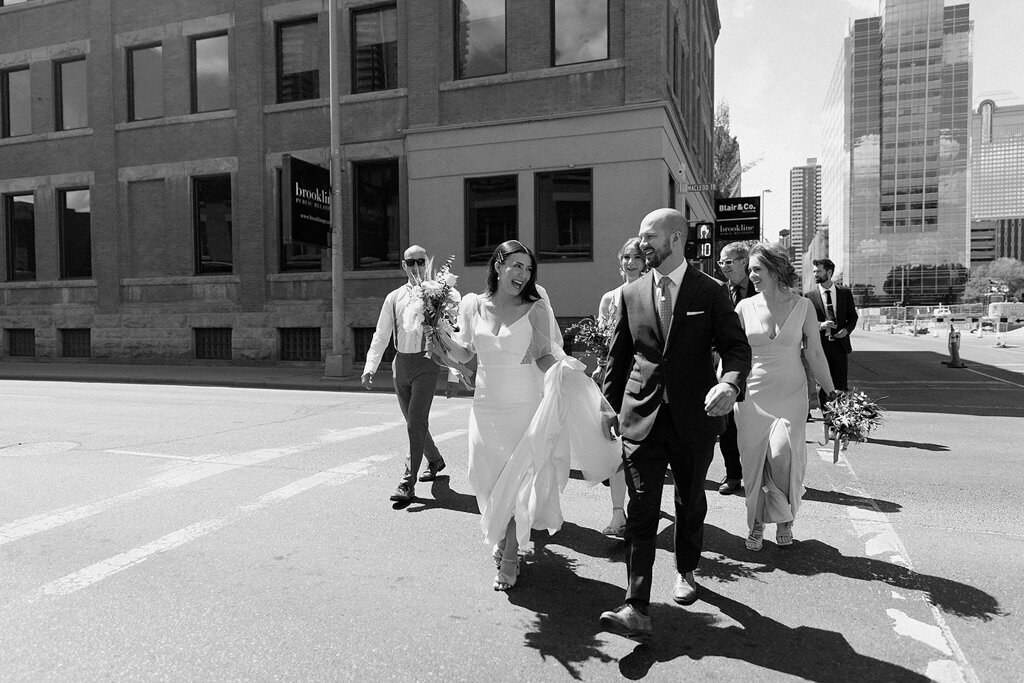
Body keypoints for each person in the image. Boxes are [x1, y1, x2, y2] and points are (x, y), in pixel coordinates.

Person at [599, 209, 751, 642]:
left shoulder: (712, 291)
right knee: (642, 510)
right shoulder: (631, 293)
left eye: (650, 237)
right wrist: (607, 409)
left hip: (695, 420)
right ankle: (635, 605)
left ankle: (686, 569)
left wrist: (729, 384)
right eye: (641, 237)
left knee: (689, 504)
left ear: (676, 238)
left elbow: (736, 349)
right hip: (641, 418)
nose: (642, 244)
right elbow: (618, 358)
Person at [436, 240, 619, 592]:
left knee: (516, 480)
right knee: (484, 478)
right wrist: (439, 334)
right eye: (516, 265)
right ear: (498, 265)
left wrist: (588, 393)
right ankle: (505, 537)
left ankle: (509, 554)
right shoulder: (474, 306)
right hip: (485, 408)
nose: (522, 274)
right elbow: (465, 353)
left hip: (523, 408)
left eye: (528, 268)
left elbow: (544, 358)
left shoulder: (534, 308)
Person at [733, 243, 836, 552]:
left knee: (782, 456)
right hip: (752, 395)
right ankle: (757, 524)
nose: (751, 275)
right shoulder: (743, 308)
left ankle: (785, 518)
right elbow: (732, 355)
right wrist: (722, 388)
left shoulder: (803, 306)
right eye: (749, 270)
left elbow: (815, 353)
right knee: (753, 466)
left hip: (791, 394)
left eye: (757, 269)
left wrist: (833, 395)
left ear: (776, 270)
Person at [361, 245, 449, 504]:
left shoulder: (439, 294)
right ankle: (435, 460)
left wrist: (455, 374)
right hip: (401, 365)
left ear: (427, 263)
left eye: (420, 262)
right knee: (415, 423)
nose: (416, 268)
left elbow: (448, 334)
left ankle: (406, 484)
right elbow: (381, 334)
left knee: (415, 422)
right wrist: (370, 367)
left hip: (426, 364)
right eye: (410, 263)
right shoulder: (393, 298)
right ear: (403, 265)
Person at [594, 237, 647, 537]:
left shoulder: (655, 293)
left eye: (637, 257)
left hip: (642, 380)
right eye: (626, 257)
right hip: (615, 379)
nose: (630, 262)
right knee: (615, 447)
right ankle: (618, 515)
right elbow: (604, 340)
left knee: (638, 453)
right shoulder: (609, 298)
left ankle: (641, 508)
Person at [715, 241, 756, 496]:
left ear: (744, 262)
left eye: (728, 262)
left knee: (755, 423)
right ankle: (733, 475)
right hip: (727, 366)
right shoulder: (718, 291)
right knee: (727, 424)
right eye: (721, 263)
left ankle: (760, 473)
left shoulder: (761, 287)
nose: (723, 268)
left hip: (759, 365)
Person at [805, 258, 858, 415]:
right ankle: (828, 417)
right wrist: (821, 325)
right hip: (820, 346)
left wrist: (846, 331)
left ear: (829, 272)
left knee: (841, 384)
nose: (815, 274)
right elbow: (806, 322)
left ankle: (840, 419)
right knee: (823, 383)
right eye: (814, 271)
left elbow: (852, 316)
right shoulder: (809, 296)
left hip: (840, 345)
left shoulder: (844, 293)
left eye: (818, 271)